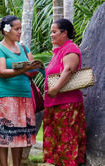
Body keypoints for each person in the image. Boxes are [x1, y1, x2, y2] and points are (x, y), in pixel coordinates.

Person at [0, 15, 42, 166]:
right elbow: (1, 72)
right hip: (5, 97)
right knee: (3, 134)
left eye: (20, 29)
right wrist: (24, 68)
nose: (19, 32)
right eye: (16, 29)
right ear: (6, 30)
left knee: (19, 135)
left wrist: (33, 68)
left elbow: (32, 71)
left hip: (24, 97)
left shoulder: (23, 48)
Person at [43, 18, 86, 166]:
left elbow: (68, 70)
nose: (51, 35)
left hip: (67, 103)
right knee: (57, 140)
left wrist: (54, 89)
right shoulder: (59, 51)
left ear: (64, 33)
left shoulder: (70, 48)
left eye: (54, 32)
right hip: (55, 102)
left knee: (67, 140)